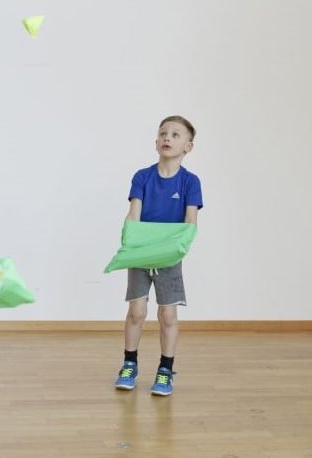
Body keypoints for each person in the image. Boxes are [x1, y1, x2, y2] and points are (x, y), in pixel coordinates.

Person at [114, 115, 203, 396]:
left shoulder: (191, 182)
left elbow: (190, 223)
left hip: (169, 257)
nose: (168, 138)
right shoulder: (142, 177)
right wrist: (131, 244)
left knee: (167, 315)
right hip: (141, 254)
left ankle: (165, 370)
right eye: (163, 133)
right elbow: (134, 215)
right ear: (156, 142)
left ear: (188, 146)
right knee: (137, 311)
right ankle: (129, 364)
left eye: (176, 135)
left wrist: (173, 249)